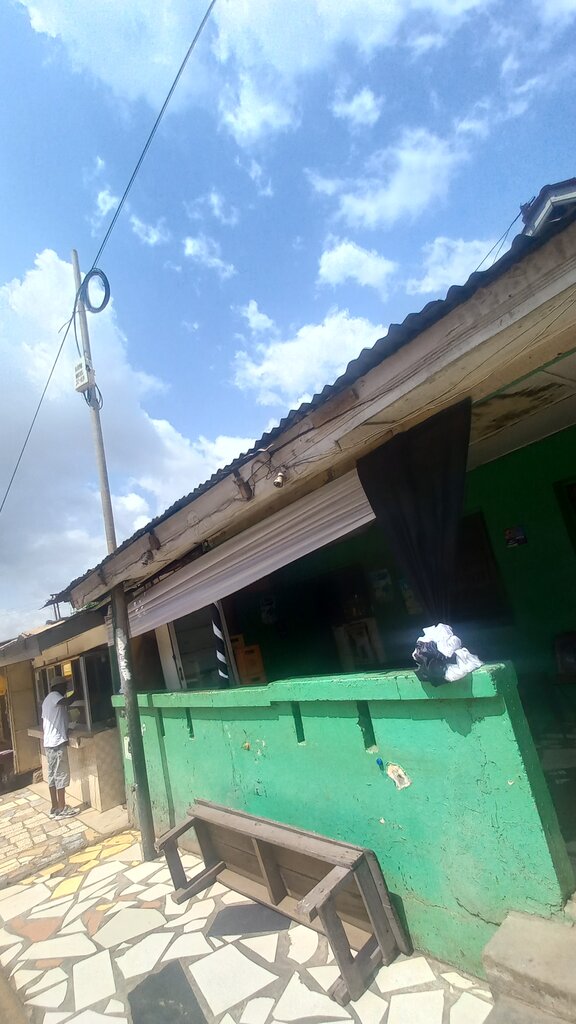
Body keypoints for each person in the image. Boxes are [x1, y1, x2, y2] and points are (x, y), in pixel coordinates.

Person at [41, 676, 79, 818]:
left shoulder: (47, 700)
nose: (66, 689)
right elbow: (68, 701)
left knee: (52, 777)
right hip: (57, 744)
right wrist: (78, 692)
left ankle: (55, 806)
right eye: (64, 686)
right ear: (59, 687)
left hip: (49, 744)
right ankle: (62, 808)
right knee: (60, 775)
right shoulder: (54, 697)